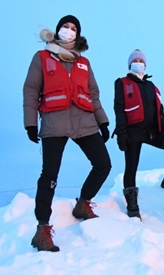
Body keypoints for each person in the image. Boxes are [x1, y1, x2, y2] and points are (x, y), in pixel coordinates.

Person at [23, 15, 112, 252]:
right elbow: (31, 90)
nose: (69, 30)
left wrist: (102, 121)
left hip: (84, 121)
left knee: (103, 164)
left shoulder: (84, 63)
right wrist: (30, 123)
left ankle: (83, 204)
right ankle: (42, 230)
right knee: (49, 175)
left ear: (78, 34)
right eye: (66, 26)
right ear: (57, 29)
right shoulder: (42, 57)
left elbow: (93, 93)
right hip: (54, 122)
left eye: (74, 28)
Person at [113, 49, 164, 219]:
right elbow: (119, 108)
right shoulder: (121, 83)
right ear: (130, 64)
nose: (138, 62)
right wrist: (121, 132)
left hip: (153, 131)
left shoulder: (151, 86)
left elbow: (160, 110)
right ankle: (132, 205)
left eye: (141, 60)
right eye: (135, 60)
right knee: (131, 167)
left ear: (145, 65)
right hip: (133, 132)